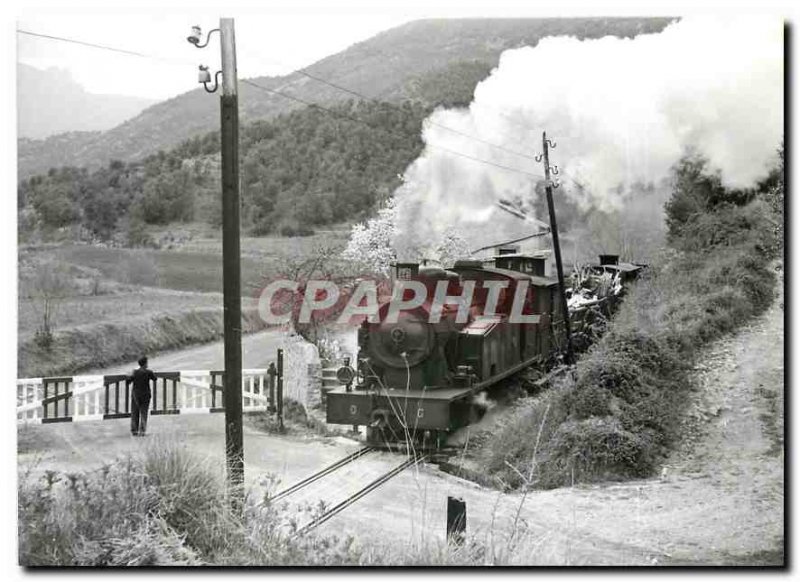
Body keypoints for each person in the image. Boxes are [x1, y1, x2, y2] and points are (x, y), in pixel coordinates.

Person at [127, 356, 156, 436]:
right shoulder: (149, 372)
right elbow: (154, 379)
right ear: (145, 364)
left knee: (134, 412)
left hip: (136, 394)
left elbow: (128, 381)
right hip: (146, 394)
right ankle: (142, 431)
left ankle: (134, 430)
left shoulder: (135, 372)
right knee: (144, 412)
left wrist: (131, 373)